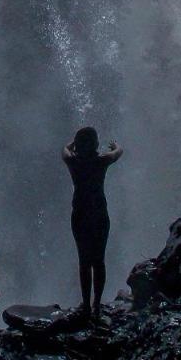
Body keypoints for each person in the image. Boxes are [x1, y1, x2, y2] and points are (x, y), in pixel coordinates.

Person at [62, 126, 123, 321]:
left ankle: (86, 305)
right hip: (99, 215)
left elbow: (64, 150)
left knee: (84, 262)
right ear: (96, 144)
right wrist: (116, 146)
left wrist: (71, 144)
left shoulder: (73, 162)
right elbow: (117, 153)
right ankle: (96, 305)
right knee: (99, 261)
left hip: (80, 215)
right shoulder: (101, 161)